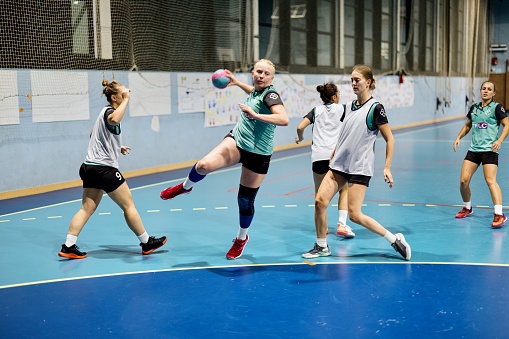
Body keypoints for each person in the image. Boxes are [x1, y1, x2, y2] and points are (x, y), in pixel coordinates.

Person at [160, 59, 289, 259]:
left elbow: (283, 119)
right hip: (238, 141)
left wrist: (255, 115)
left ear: (272, 79)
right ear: (253, 72)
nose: (261, 76)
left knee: (245, 200)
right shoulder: (256, 91)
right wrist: (237, 83)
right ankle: (185, 187)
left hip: (259, 153)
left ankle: (241, 238)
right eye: (258, 72)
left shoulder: (271, 95)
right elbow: (254, 94)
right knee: (203, 165)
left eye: (266, 74)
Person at [302, 64, 411, 261]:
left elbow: (390, 139)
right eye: (351, 80)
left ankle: (394, 239)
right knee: (320, 202)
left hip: (360, 167)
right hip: (338, 165)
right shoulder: (349, 107)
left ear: (368, 82)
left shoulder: (375, 108)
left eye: (357, 80)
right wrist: (333, 155)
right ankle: (321, 246)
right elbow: (344, 135)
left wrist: (387, 167)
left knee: (355, 215)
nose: (353, 83)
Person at [58, 79, 167, 259]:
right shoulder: (112, 112)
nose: (127, 94)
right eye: (124, 93)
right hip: (104, 170)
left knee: (86, 208)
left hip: (89, 167)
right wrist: (126, 101)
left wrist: (117, 146)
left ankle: (69, 245)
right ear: (115, 97)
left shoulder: (103, 112)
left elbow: (93, 135)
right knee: (128, 205)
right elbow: (115, 119)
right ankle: (146, 242)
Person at [295, 83, 354, 238]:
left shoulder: (316, 111)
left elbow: (300, 127)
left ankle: (323, 227)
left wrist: (300, 138)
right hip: (336, 157)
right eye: (338, 93)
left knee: (319, 194)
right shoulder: (343, 108)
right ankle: (342, 224)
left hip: (318, 157)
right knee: (344, 189)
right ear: (334, 97)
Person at [453, 81, 509, 228]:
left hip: (489, 150)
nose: (485, 91)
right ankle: (467, 207)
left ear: (493, 93)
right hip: (474, 150)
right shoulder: (474, 108)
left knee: (490, 180)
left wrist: (500, 140)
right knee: (463, 181)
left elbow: (507, 124)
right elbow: (468, 125)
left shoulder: (497, 108)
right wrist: (459, 137)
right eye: (483, 88)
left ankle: (499, 214)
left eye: (489, 89)